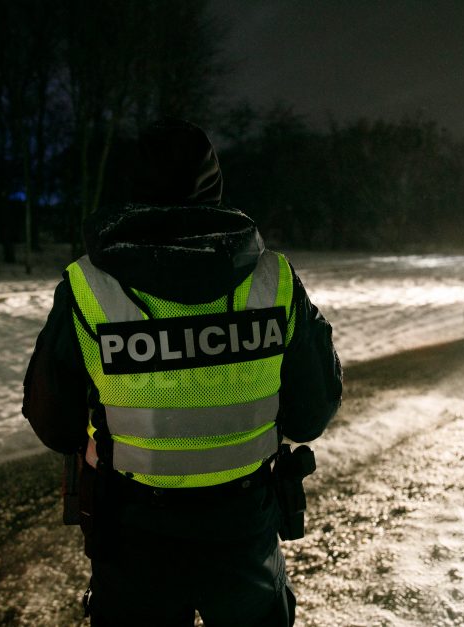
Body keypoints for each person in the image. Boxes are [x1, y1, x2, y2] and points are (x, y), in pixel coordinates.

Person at [22, 118, 342, 626]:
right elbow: (311, 414)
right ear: (215, 187)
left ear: (133, 190)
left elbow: (52, 420)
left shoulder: (89, 284)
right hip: (245, 529)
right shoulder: (273, 279)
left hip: (132, 535)